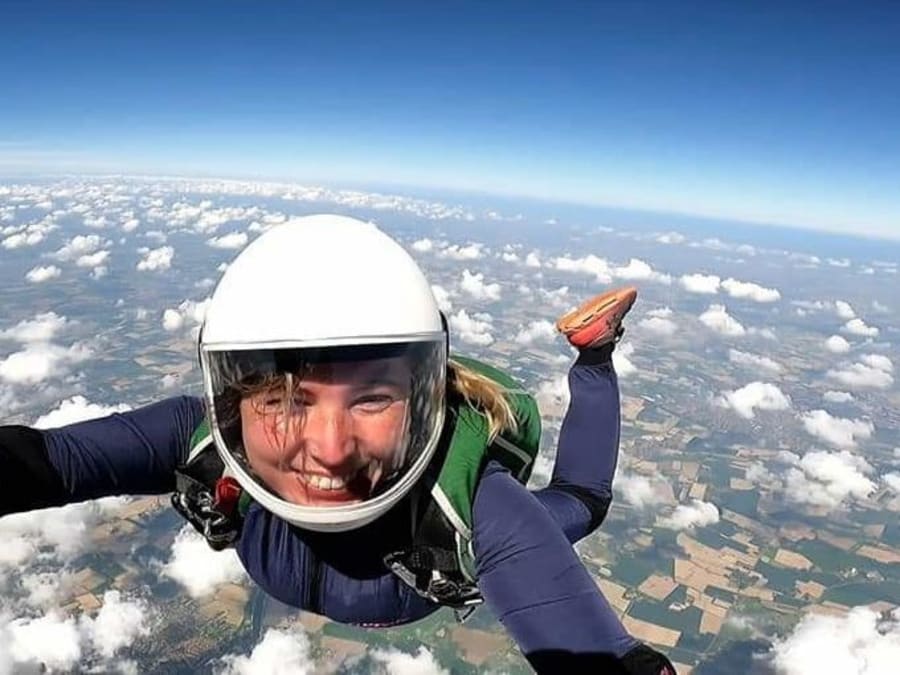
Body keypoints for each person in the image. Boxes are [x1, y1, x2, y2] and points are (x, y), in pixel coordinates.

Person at [0, 214, 676, 674]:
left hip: (460, 528)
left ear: (423, 398)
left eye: (373, 398)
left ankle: (595, 356)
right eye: (283, 399)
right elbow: (42, 461)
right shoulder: (199, 440)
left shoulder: (478, 510)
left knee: (582, 501)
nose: (329, 449)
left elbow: (605, 659)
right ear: (232, 403)